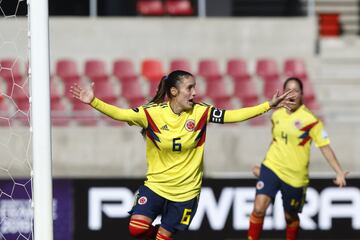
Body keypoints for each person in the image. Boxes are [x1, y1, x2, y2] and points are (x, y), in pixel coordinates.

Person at [70, 70, 294, 240]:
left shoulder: (201, 112)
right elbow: (121, 114)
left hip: (185, 193)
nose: (194, 93)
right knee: (136, 228)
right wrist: (94, 102)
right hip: (157, 185)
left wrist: (267, 106)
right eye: (189, 88)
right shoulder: (152, 114)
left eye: (194, 88)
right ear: (174, 92)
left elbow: (233, 115)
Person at [247, 77, 348, 240]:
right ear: (283, 93)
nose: (292, 95)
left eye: (296, 91)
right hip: (272, 166)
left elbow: (324, 146)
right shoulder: (277, 115)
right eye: (288, 90)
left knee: (290, 216)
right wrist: (264, 169)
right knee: (258, 208)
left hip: (295, 176)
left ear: (302, 94)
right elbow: (276, 141)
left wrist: (339, 172)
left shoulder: (311, 120)